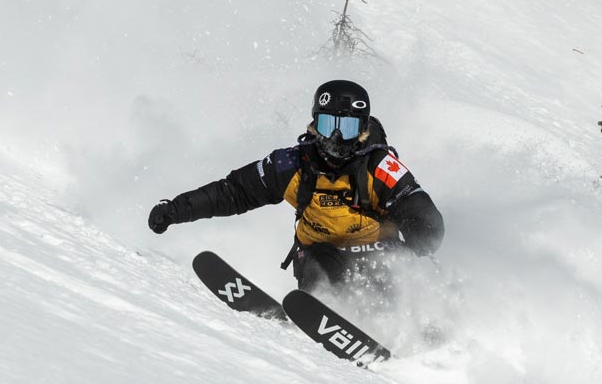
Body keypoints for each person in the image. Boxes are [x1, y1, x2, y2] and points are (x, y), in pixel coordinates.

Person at [148, 80, 444, 297]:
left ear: (363, 129)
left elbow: (425, 219)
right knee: (320, 271)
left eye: (348, 128)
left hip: (377, 250)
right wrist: (176, 210)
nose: (336, 138)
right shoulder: (293, 164)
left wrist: (414, 256)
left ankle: (417, 324)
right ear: (315, 124)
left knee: (391, 273)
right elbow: (234, 192)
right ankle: (323, 312)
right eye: (329, 125)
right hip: (319, 253)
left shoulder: (380, 167)